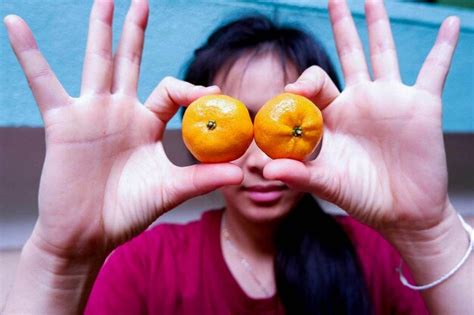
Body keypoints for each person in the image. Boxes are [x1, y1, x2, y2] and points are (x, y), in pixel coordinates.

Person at [3, 0, 473, 314]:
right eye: (238, 125)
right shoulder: (145, 265)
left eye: (275, 125)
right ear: (196, 133)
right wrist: (59, 262)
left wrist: (431, 233)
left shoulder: (378, 256)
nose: (258, 161)